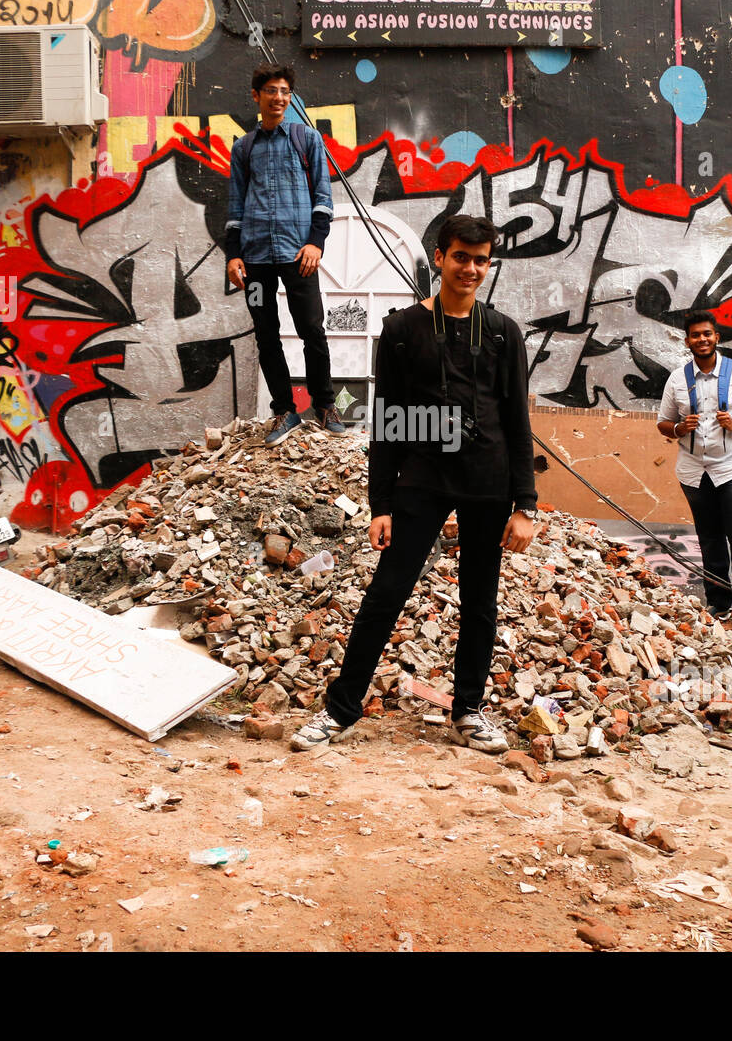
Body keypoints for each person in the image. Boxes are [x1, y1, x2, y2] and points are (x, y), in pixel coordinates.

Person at [291, 214, 537, 753]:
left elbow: (518, 419)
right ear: (439, 256)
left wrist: (526, 504)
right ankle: (340, 709)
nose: (470, 269)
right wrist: (380, 502)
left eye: (480, 260)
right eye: (460, 257)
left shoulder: (501, 332)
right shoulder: (403, 329)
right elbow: (387, 422)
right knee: (386, 594)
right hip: (421, 482)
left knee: (479, 601)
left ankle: (468, 711)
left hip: (487, 485)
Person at [225, 63, 344, 447]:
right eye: (271, 91)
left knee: (312, 328)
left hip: (299, 255)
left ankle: (325, 405)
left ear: (290, 96)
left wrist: (316, 242)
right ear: (256, 96)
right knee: (266, 333)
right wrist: (233, 254)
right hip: (256, 259)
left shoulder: (307, 139)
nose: (279, 97)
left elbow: (324, 199)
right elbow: (235, 207)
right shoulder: (244, 148)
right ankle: (284, 410)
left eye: (284, 91)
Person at [656, 311, 732, 629]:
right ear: (687, 340)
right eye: (696, 335)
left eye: (707, 334)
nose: (702, 339)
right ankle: (718, 604)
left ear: (716, 337)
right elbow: (662, 424)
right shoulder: (678, 379)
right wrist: (680, 428)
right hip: (694, 471)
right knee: (710, 539)